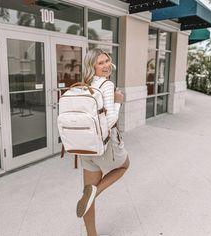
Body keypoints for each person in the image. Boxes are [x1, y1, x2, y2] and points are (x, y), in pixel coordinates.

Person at [76, 48, 130, 236]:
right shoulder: (106, 85)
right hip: (105, 145)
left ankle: (92, 234)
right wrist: (118, 101)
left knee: (86, 191)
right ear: (92, 66)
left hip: (85, 147)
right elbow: (109, 121)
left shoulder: (84, 85)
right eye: (101, 63)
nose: (106, 65)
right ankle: (95, 193)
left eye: (107, 61)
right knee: (124, 166)